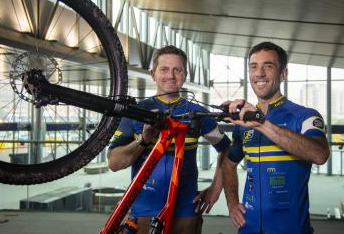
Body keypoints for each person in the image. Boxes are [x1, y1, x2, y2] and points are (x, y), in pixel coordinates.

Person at [107, 45, 231, 234]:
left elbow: (226, 148)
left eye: (177, 70)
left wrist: (216, 188)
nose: (171, 76)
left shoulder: (198, 114)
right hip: (143, 208)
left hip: (185, 210)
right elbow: (114, 163)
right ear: (153, 73)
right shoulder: (136, 113)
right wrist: (144, 139)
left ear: (185, 74)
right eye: (164, 69)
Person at [222, 41, 330, 234]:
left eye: (268, 66)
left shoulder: (305, 116)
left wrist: (261, 123)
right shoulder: (243, 123)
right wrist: (232, 203)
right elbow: (229, 164)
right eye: (254, 67)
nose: (259, 73)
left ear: (283, 74)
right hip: (249, 227)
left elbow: (320, 154)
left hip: (292, 229)